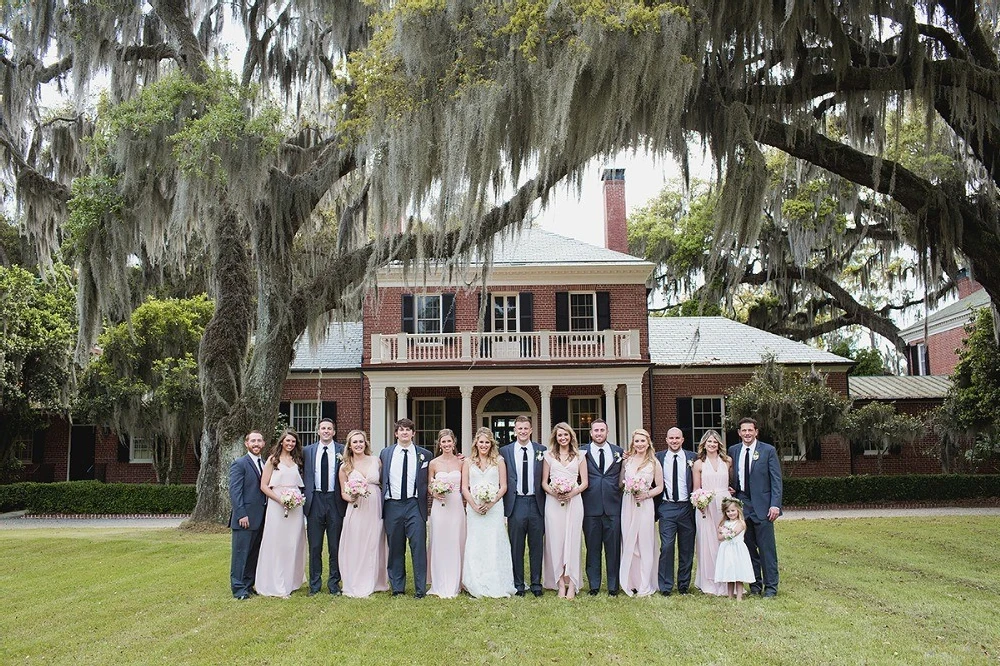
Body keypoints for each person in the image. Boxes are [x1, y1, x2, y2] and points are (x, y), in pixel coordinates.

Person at [728, 417, 783, 598]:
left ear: (756, 431)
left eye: (750, 430)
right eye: (743, 430)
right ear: (739, 433)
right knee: (748, 548)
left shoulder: (768, 451)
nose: (747, 434)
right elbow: (733, 476)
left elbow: (776, 480)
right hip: (743, 505)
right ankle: (755, 586)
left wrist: (775, 504)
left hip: (764, 507)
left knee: (767, 550)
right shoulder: (734, 451)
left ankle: (771, 588)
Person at [380, 417, 433, 598]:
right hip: (392, 505)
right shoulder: (385, 454)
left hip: (414, 504)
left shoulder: (424, 455)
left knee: (418, 547)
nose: (404, 433)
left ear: (413, 433)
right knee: (395, 547)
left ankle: (420, 589)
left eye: (408, 430)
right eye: (401, 430)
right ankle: (398, 588)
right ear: (396, 433)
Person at [462, 427, 516, 598]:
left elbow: (504, 486)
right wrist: (474, 505)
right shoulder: (468, 462)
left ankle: (497, 580)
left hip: (494, 508)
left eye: (487, 442)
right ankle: (475, 581)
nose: (484, 445)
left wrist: (491, 503)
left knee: (494, 542)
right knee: (476, 542)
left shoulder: (498, 461)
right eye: (481, 442)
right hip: (474, 508)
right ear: (476, 443)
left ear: (491, 443)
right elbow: (464, 487)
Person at [255, 429, 307, 598]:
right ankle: (275, 583)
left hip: (295, 506)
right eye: (287, 441)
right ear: (281, 442)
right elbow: (263, 486)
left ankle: (290, 581)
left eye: (293, 441)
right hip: (277, 505)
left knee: (293, 543)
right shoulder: (273, 460)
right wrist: (279, 500)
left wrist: (294, 499)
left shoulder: (297, 460)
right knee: (277, 543)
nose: (290, 444)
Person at [338, 429, 389, 598]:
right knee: (357, 542)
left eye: (361, 441)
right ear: (350, 446)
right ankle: (356, 579)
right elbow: (343, 493)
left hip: (374, 506)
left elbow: (385, 481)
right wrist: (351, 497)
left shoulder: (376, 461)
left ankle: (375, 580)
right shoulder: (346, 466)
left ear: (365, 443)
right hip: (356, 507)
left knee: (374, 541)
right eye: (355, 442)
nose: (358, 444)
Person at [499, 415, 546, 597]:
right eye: (520, 429)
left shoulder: (541, 450)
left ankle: (536, 583)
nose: (523, 431)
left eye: (526, 428)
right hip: (516, 502)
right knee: (516, 546)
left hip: (536, 502)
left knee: (536, 546)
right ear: (515, 430)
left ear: (531, 430)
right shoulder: (505, 451)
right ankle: (518, 584)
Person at [541, 422, 589, 599]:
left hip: (574, 502)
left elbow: (584, 482)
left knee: (572, 541)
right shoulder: (548, 456)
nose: (563, 438)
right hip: (553, 503)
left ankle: (573, 583)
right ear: (556, 437)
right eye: (560, 435)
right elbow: (544, 482)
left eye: (566, 435)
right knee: (555, 541)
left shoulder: (580, 455)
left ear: (571, 436)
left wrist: (572, 493)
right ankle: (560, 582)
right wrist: (555, 492)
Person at [579, 418, 624, 596]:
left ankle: (613, 586)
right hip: (590, 507)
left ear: (607, 432)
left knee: (613, 548)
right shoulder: (582, 452)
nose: (599, 433)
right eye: (595, 430)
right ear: (591, 433)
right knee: (593, 548)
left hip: (613, 507)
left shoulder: (618, 452)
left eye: (602, 430)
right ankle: (594, 585)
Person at [302, 418, 347, 596]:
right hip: (315, 500)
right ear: (318, 431)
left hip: (335, 500)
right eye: (323, 428)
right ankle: (314, 584)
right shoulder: (307, 451)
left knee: (335, 545)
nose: (326, 431)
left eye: (329, 428)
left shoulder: (342, 450)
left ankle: (334, 584)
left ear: (334, 432)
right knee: (315, 546)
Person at [618, 428, 663, 597]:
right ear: (632, 443)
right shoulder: (627, 461)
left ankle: (645, 583)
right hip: (628, 503)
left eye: (642, 441)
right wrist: (630, 486)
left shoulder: (654, 462)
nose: (640, 444)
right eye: (637, 441)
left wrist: (646, 494)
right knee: (629, 540)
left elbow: (659, 486)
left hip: (645, 504)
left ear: (648, 442)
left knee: (644, 542)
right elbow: (621, 483)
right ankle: (632, 581)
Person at [655, 426, 696, 596]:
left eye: (677, 438)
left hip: (687, 507)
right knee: (667, 546)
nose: (674, 441)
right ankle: (665, 586)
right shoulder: (658, 458)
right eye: (671, 438)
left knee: (686, 548)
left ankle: (684, 585)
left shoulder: (692, 457)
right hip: (667, 506)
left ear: (682, 440)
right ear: (666, 440)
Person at [692, 430, 732, 596]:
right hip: (706, 505)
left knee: (725, 540)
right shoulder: (699, 464)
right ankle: (708, 581)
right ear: (704, 444)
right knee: (707, 542)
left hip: (724, 504)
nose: (712, 445)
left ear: (719, 444)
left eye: (715, 442)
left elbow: (732, 481)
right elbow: (696, 488)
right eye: (709, 442)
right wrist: (699, 503)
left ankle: (727, 580)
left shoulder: (727, 461)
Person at [427, 428, 466, 598]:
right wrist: (435, 493)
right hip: (440, 506)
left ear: (454, 442)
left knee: (456, 539)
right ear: (439, 444)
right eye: (443, 441)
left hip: (456, 505)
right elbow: (429, 485)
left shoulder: (462, 462)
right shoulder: (434, 463)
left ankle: (458, 579)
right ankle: (439, 580)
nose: (447, 444)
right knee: (440, 540)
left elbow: (466, 485)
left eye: (449, 441)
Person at [229, 430, 267, 599]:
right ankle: (238, 589)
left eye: (259, 441)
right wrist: (241, 514)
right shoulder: (240, 464)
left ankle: (248, 585)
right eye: (253, 441)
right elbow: (235, 491)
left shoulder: (265, 463)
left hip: (262, 517)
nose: (256, 444)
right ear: (246, 444)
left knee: (253, 554)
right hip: (245, 518)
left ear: (263, 444)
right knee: (240, 554)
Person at [714, 497, 755, 600]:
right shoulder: (724, 523)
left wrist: (724, 531)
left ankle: (739, 597)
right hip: (727, 550)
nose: (731, 513)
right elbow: (719, 538)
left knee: (738, 573)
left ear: (738, 510)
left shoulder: (740, 523)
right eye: (728, 511)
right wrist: (723, 531)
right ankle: (730, 596)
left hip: (737, 550)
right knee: (729, 573)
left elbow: (733, 534)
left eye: (733, 511)